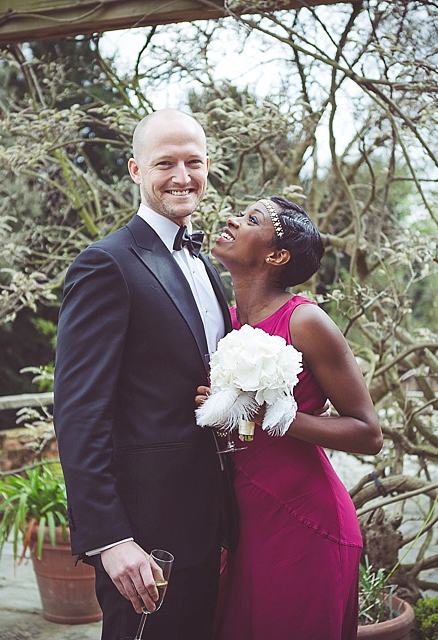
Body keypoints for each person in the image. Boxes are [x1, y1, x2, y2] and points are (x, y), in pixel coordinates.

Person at [53, 109, 232, 640]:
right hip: (144, 538)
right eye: (164, 164)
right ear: (135, 170)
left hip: (210, 524)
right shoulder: (105, 264)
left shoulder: (208, 263)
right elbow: (79, 413)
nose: (182, 176)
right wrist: (111, 540)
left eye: (193, 162)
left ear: (208, 166)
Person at [197, 196, 384, 640]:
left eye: (251, 219)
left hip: (304, 524)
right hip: (241, 522)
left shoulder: (306, 322)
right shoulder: (221, 322)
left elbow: (368, 432)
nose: (232, 220)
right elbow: (231, 424)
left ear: (276, 256)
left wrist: (277, 417)